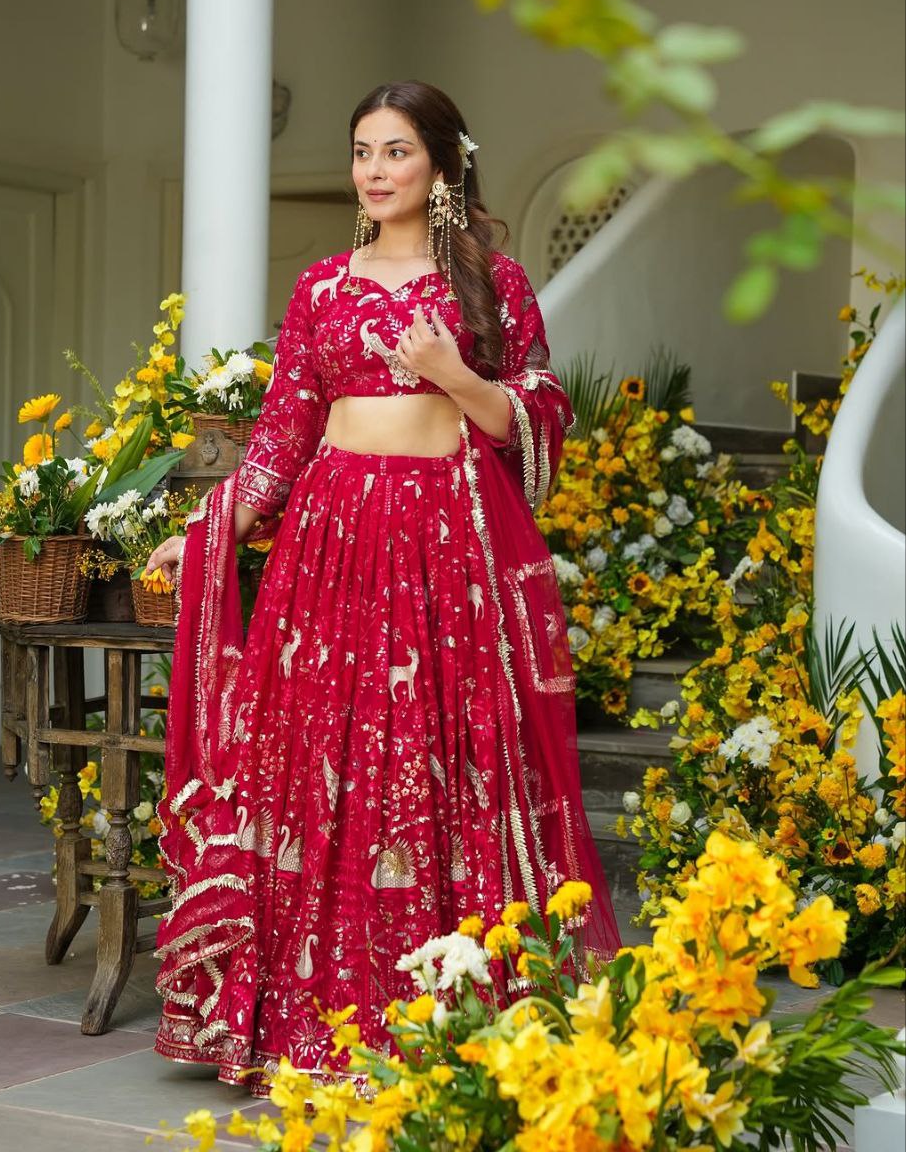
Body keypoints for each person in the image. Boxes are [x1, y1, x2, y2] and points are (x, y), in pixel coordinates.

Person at [145, 80, 621, 1099]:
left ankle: (451, 1015)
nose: (373, 169)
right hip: (333, 544)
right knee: (321, 757)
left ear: (441, 166)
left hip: (449, 543)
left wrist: (452, 370)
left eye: (395, 150)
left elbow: (528, 430)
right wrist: (208, 530)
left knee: (438, 757)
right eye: (362, 150)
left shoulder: (489, 286)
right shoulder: (321, 286)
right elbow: (281, 441)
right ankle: (300, 1021)